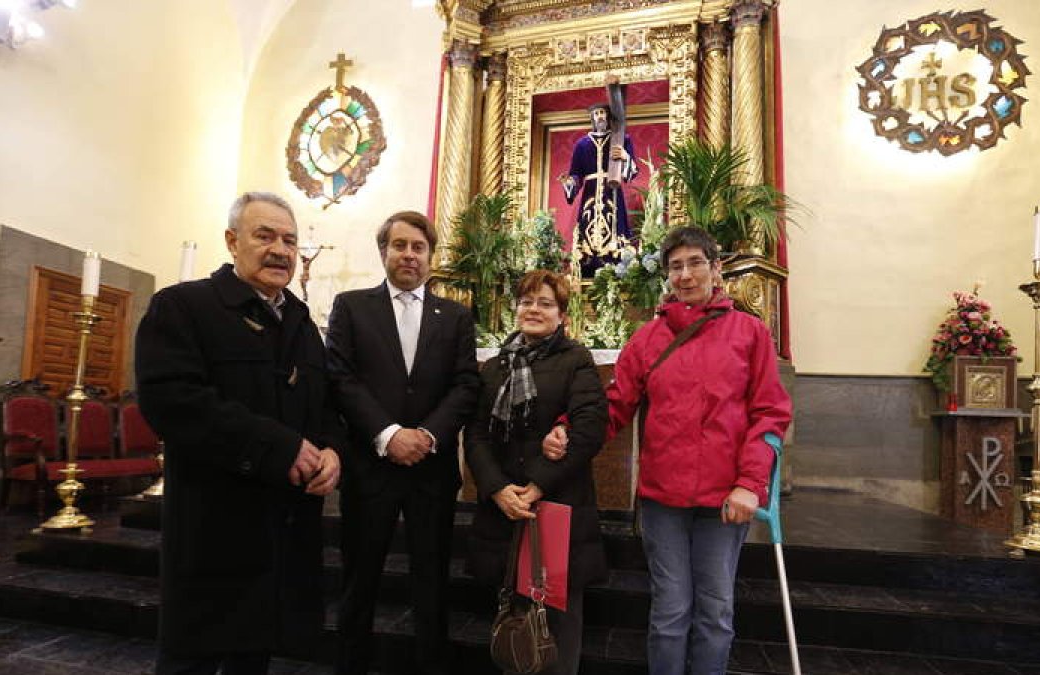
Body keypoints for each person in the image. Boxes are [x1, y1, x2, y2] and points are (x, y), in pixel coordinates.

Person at [543, 227, 792, 675]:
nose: (685, 274)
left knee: (715, 612)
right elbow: (614, 405)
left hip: (724, 499)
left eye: (695, 263)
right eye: (675, 266)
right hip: (663, 499)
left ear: (716, 270)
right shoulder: (648, 338)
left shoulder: (749, 333)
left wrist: (750, 484)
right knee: (671, 611)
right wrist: (568, 429)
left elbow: (769, 414)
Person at [135, 191, 345, 675]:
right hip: (214, 529)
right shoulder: (183, 307)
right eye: (264, 235)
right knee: (191, 660)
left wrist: (333, 450)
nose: (280, 250)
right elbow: (172, 401)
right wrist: (280, 446)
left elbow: (325, 404)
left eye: (290, 240)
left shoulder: (302, 323)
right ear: (232, 241)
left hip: (281, 533)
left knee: (254, 657)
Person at [325, 210, 480, 675]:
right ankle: (351, 666)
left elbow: (466, 385)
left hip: (430, 472)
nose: (409, 255)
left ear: (431, 257)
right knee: (360, 579)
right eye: (400, 245)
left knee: (431, 582)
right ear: (383, 252)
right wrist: (389, 434)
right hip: (370, 468)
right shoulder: (351, 306)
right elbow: (341, 378)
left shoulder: (454, 316)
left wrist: (428, 435)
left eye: (418, 247)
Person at [465, 270, 609, 675]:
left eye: (545, 303)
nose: (534, 310)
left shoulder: (576, 359)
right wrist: (496, 489)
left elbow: (589, 428)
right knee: (513, 618)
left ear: (561, 314)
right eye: (527, 301)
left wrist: (536, 485)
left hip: (555, 506)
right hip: (504, 507)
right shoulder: (495, 366)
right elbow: (475, 434)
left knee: (557, 622)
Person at [560, 103, 638, 276]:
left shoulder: (620, 139)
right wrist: (569, 183)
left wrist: (625, 157)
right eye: (596, 113)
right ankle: (586, 270)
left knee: (615, 225)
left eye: (602, 112)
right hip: (590, 195)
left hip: (612, 193)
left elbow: (631, 171)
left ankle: (616, 269)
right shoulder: (582, 145)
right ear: (592, 118)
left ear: (608, 116)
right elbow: (576, 175)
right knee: (587, 231)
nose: (600, 116)